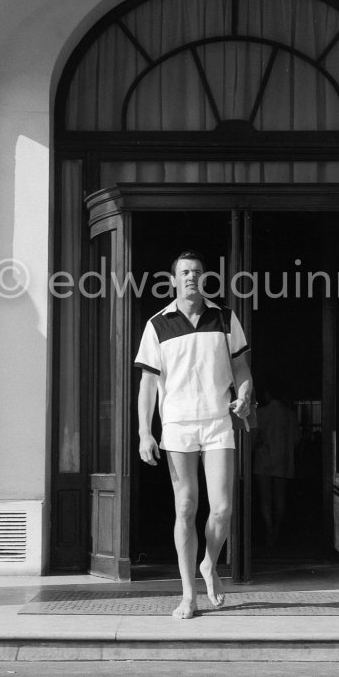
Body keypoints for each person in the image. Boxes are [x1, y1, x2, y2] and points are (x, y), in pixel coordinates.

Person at [135, 250, 252, 619]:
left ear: (205, 279)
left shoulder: (226, 318)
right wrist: (144, 432)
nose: (191, 277)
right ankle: (188, 595)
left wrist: (246, 394)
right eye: (184, 272)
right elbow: (148, 384)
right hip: (178, 425)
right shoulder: (158, 324)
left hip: (218, 421)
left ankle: (209, 564)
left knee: (222, 508)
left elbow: (242, 369)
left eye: (197, 272)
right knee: (185, 507)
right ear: (172, 280)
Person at [253, 387, 300, 549]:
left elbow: (253, 439)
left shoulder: (261, 413)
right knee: (280, 496)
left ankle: (268, 528)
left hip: (263, 457)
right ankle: (277, 530)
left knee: (265, 497)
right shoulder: (290, 414)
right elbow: (296, 440)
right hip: (284, 459)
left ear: (267, 394)